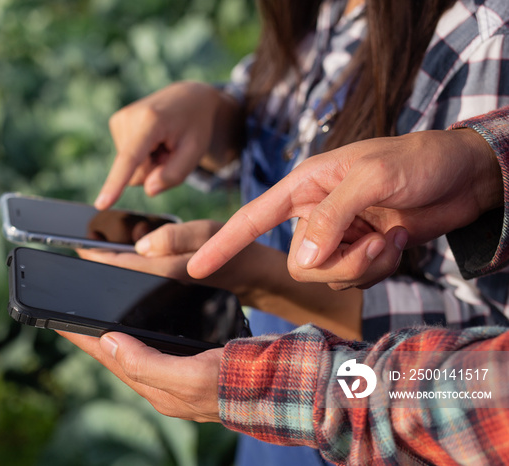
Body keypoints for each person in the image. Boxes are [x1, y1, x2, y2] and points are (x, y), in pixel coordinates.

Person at [86, 1, 509, 462]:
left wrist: (263, 281)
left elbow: (483, 343)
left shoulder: (486, 38)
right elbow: (291, 134)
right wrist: (216, 113)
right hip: (270, 432)